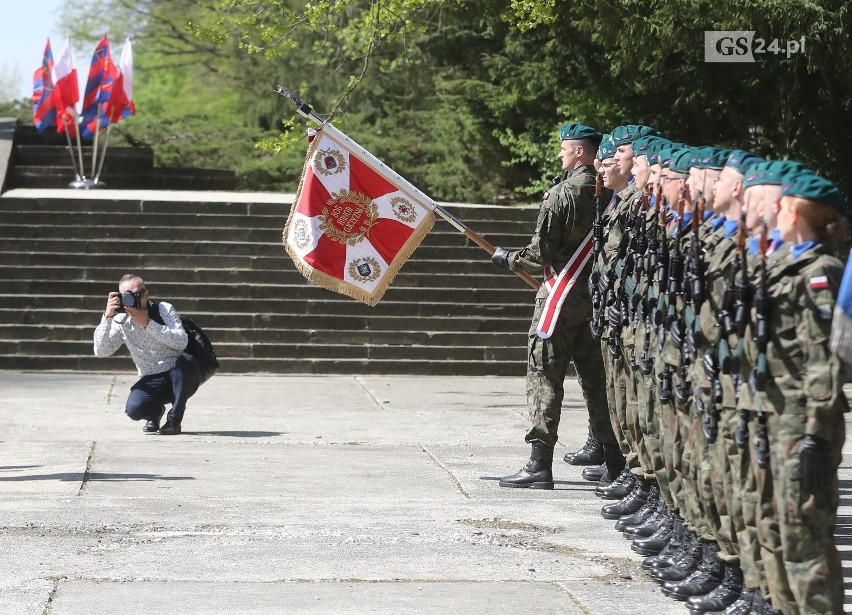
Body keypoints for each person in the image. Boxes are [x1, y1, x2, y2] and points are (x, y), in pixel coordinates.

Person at [491, 122, 617, 490]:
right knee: (597, 380)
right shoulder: (613, 193)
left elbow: (538, 255)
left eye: (565, 148)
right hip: (596, 299)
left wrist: (508, 259)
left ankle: (539, 463)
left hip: (560, 299)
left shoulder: (562, 194)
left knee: (544, 375)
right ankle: (612, 461)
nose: (561, 154)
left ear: (580, 152)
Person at [93, 274, 200, 435]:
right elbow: (101, 351)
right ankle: (155, 413)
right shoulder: (121, 321)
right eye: (127, 295)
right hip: (151, 378)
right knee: (134, 409)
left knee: (187, 361)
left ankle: (174, 421)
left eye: (137, 293)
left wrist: (148, 324)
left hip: (179, 374)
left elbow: (181, 342)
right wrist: (107, 318)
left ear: (146, 293)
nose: (133, 299)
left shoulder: (163, 309)